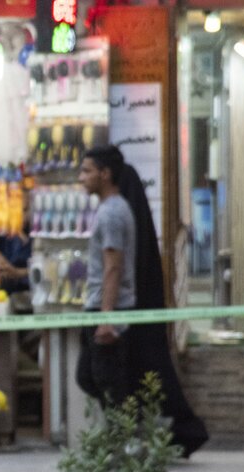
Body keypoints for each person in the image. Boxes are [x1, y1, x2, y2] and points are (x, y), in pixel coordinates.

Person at [104, 150, 209, 455]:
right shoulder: (134, 218)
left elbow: (118, 268)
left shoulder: (119, 216)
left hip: (132, 314)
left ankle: (165, 434)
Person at [76, 145, 139, 406]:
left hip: (109, 310)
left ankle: (122, 430)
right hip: (100, 306)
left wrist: (106, 319)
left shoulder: (112, 213)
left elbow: (113, 267)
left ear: (105, 174)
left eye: (86, 171)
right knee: (90, 378)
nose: (81, 177)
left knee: (108, 384)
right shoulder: (109, 209)